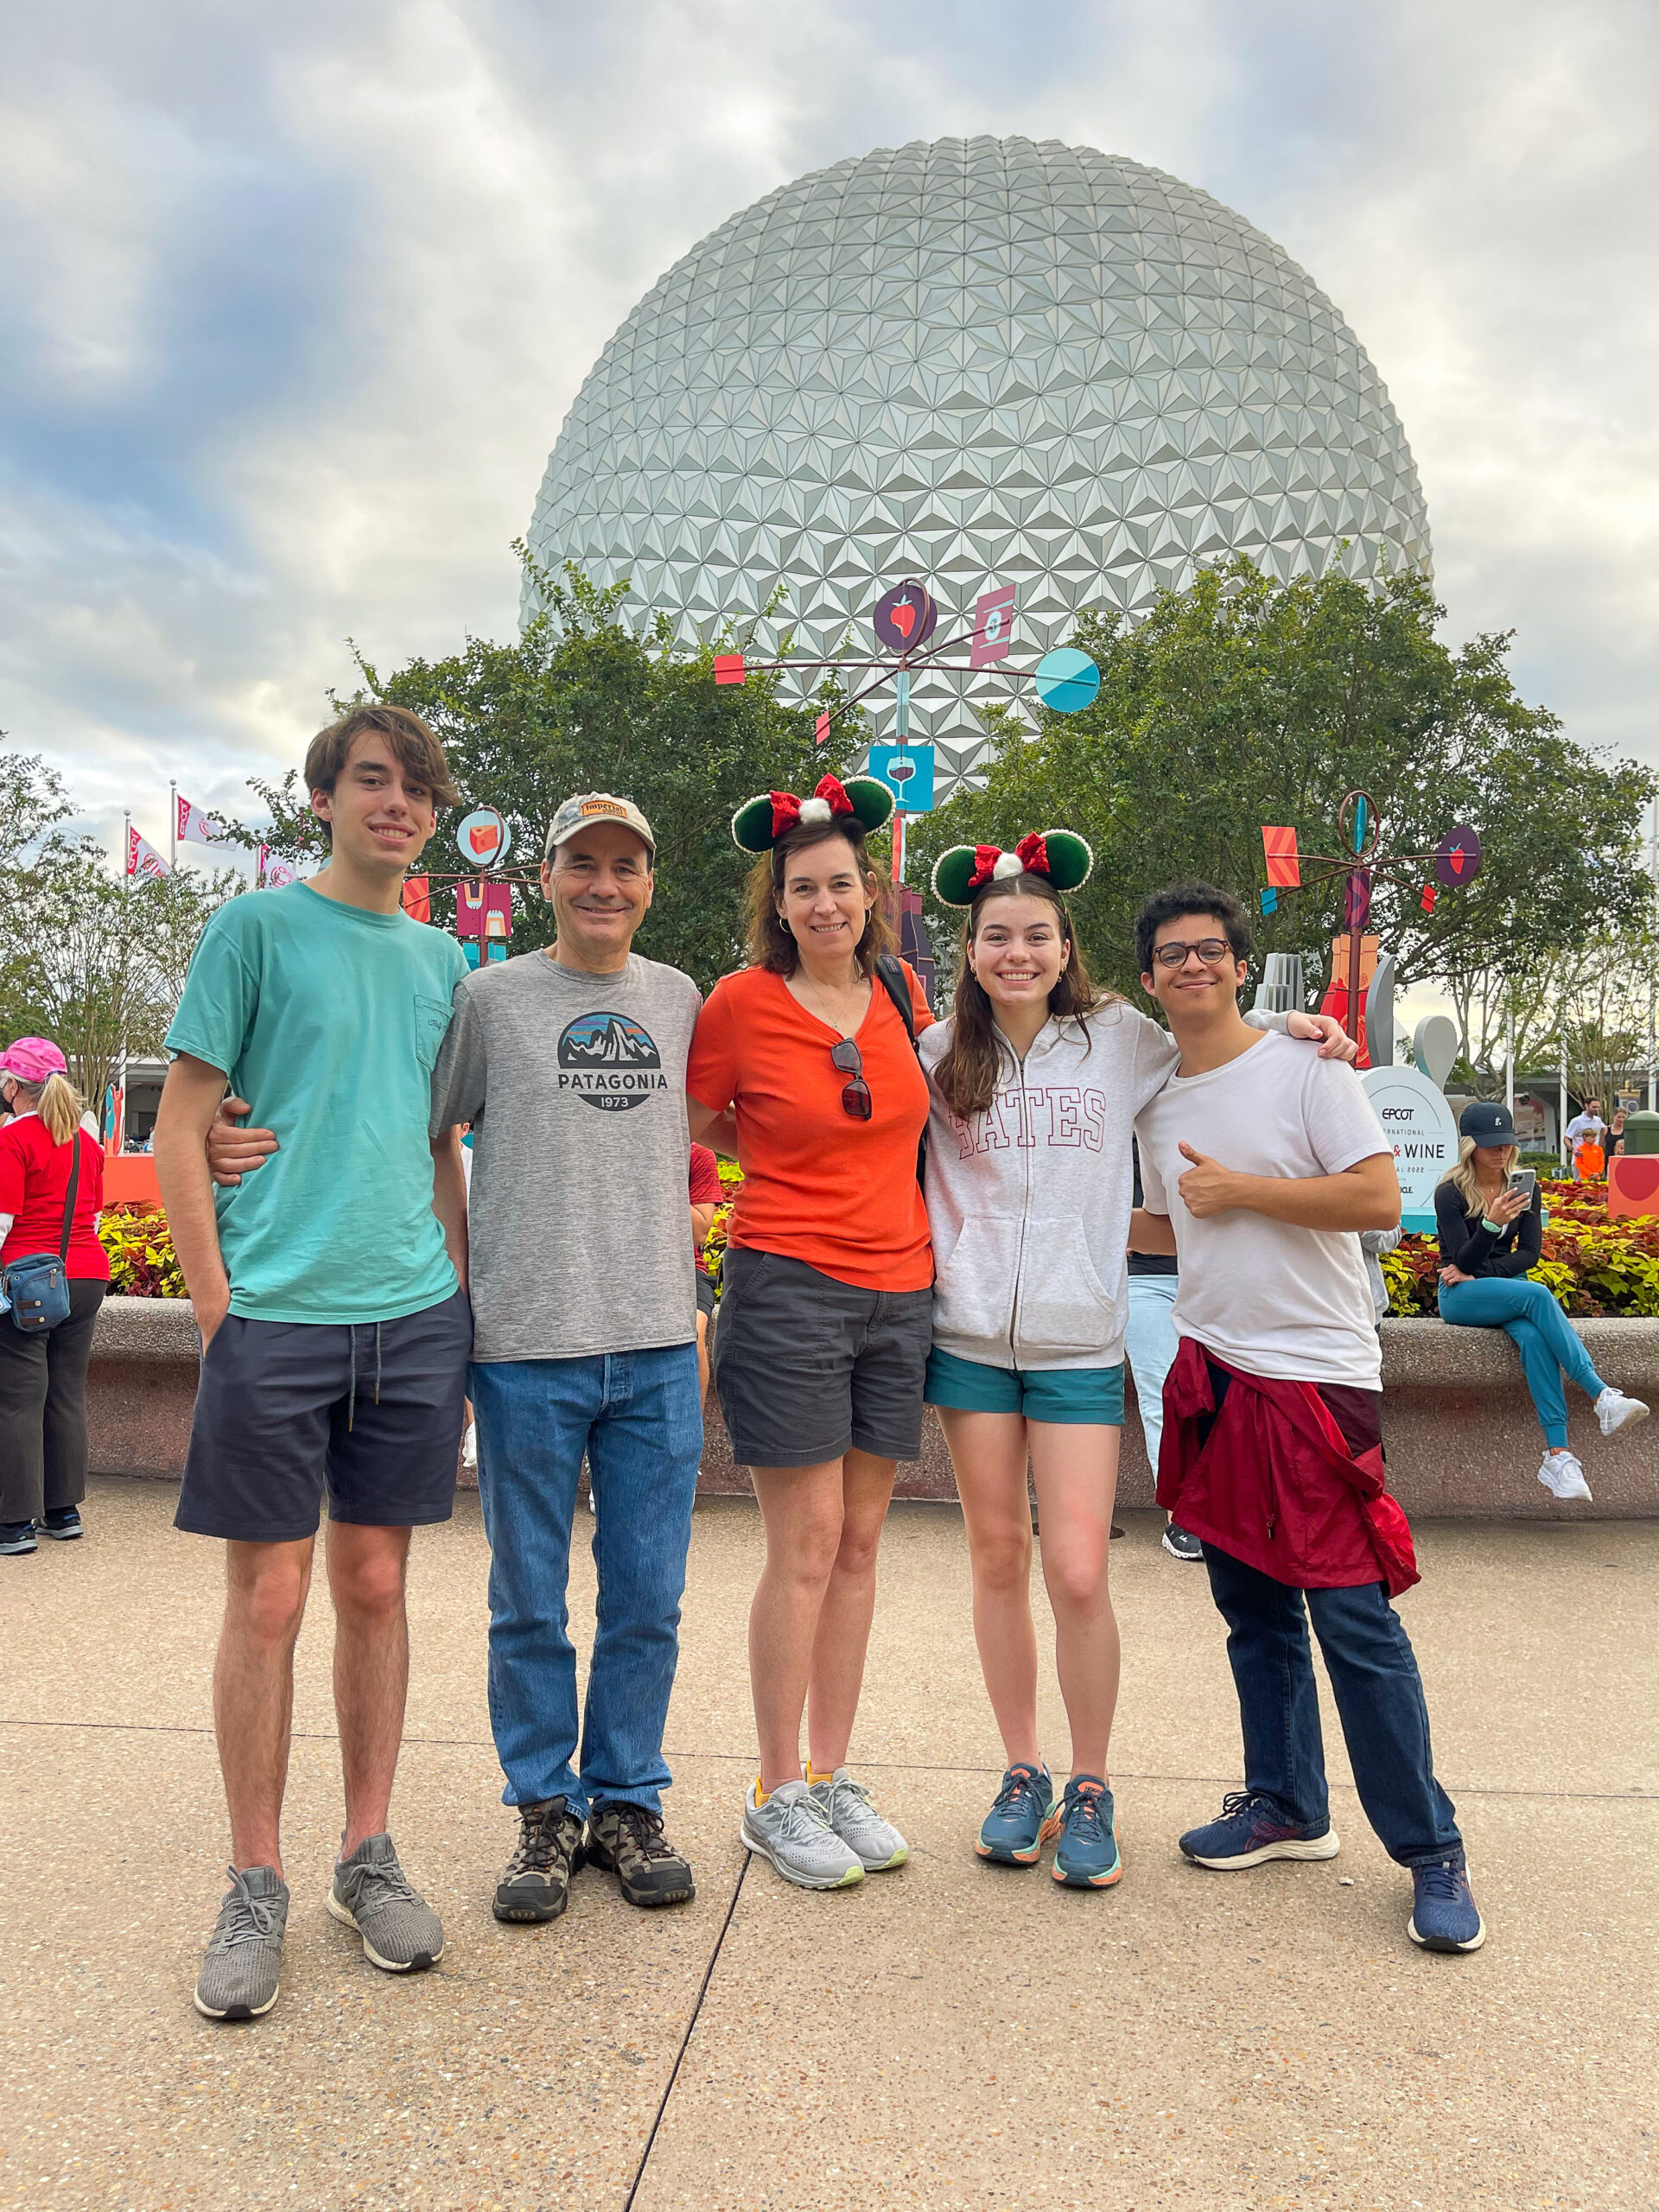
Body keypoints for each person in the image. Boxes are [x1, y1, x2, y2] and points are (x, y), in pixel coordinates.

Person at [918, 836, 1355, 1886]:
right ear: (970, 951)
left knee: (1075, 1567)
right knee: (993, 1557)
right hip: (969, 1338)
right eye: (995, 938)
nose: (1016, 954)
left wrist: (1306, 1032)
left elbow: (1220, 1048)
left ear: (1066, 946)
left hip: (1076, 1341)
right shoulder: (935, 1052)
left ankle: (1091, 1782)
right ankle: (1020, 1769)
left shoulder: (1119, 1040)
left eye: (1036, 935)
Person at [157, 704, 473, 2022]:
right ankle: (253, 1877)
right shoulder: (255, 931)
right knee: (271, 1600)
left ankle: (367, 1850)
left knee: (379, 1582)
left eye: (417, 789)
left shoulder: (447, 960)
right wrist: (219, 1305)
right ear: (326, 799)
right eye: (371, 782)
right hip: (276, 1317)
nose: (396, 804)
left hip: (413, 1313)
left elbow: (441, 1139)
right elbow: (184, 1130)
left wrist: (458, 1295)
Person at [1130, 880, 1485, 1955]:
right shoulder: (1154, 1096)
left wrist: (1246, 1191)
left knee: (1355, 1623)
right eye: (1171, 954)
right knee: (1253, 1610)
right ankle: (1286, 1802)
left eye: (1211, 950)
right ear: (1147, 977)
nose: (1193, 965)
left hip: (1317, 1374)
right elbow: (1165, 1224)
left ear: (1242, 964)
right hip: (1213, 1365)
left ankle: (1431, 1851)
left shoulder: (1307, 1066)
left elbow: (1379, 1199)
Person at [428, 792, 704, 1923]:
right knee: (526, 1604)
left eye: (625, 866)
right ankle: (545, 1811)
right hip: (526, 1347)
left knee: (647, 1600)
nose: (605, 884)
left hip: (654, 1346)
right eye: (582, 864)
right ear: (543, 877)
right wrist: (458, 1286)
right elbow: (429, 1128)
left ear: (650, 882)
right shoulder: (490, 998)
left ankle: (626, 1799)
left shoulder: (680, 999)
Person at [687, 772, 927, 1891]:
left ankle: (831, 1772)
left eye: (841, 884)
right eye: (803, 889)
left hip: (901, 1292)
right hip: (787, 1290)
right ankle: (775, 1787)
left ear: (869, 891)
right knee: (808, 1545)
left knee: (865, 1546)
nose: (826, 903)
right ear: (776, 904)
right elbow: (688, 1131)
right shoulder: (738, 1003)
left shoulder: (904, 995)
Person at [1435, 1100, 1647, 1502]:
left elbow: (1530, 1253)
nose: (1500, 1152)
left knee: (1534, 1340)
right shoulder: (1451, 1192)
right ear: (1469, 1146)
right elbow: (1460, 1260)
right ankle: (1601, 1394)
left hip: (1499, 1287)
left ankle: (1558, 1456)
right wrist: (1492, 1224)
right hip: (1460, 1296)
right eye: (1489, 1145)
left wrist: (1481, 1271)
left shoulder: (1524, 1188)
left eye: (1505, 1144)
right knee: (1537, 1293)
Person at [0, 1039, 110, 1556]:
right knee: (65, 1392)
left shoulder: (14, 1137)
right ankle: (63, 1511)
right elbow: (91, 1217)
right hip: (85, 1275)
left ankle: (14, 1521)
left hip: (26, 1282)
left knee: (18, 1397)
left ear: (14, 1085)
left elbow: (3, 1219)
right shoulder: (88, 1141)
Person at [1126, 1143, 1201, 1562]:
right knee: (1163, 1397)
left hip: (1212, 1272)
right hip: (1146, 1281)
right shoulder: (1123, 1106)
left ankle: (1230, 1513)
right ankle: (1183, 1518)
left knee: (1232, 1394)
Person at [690, 1140, 721, 1402]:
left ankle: (693, 1438)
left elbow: (700, 1231)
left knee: (693, 1336)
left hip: (687, 1268)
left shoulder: (698, 1155)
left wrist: (657, 1170)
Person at [1565, 1098, 1606, 1180]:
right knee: (1580, 1188)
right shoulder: (1576, 1121)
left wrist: (1600, 1145)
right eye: (1594, 1107)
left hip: (1594, 1162)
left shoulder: (1598, 1120)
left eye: (1598, 1107)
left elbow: (1604, 1129)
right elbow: (1566, 1138)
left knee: (1595, 1190)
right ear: (1586, 1106)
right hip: (1580, 1160)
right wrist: (1573, 1149)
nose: (1596, 1109)